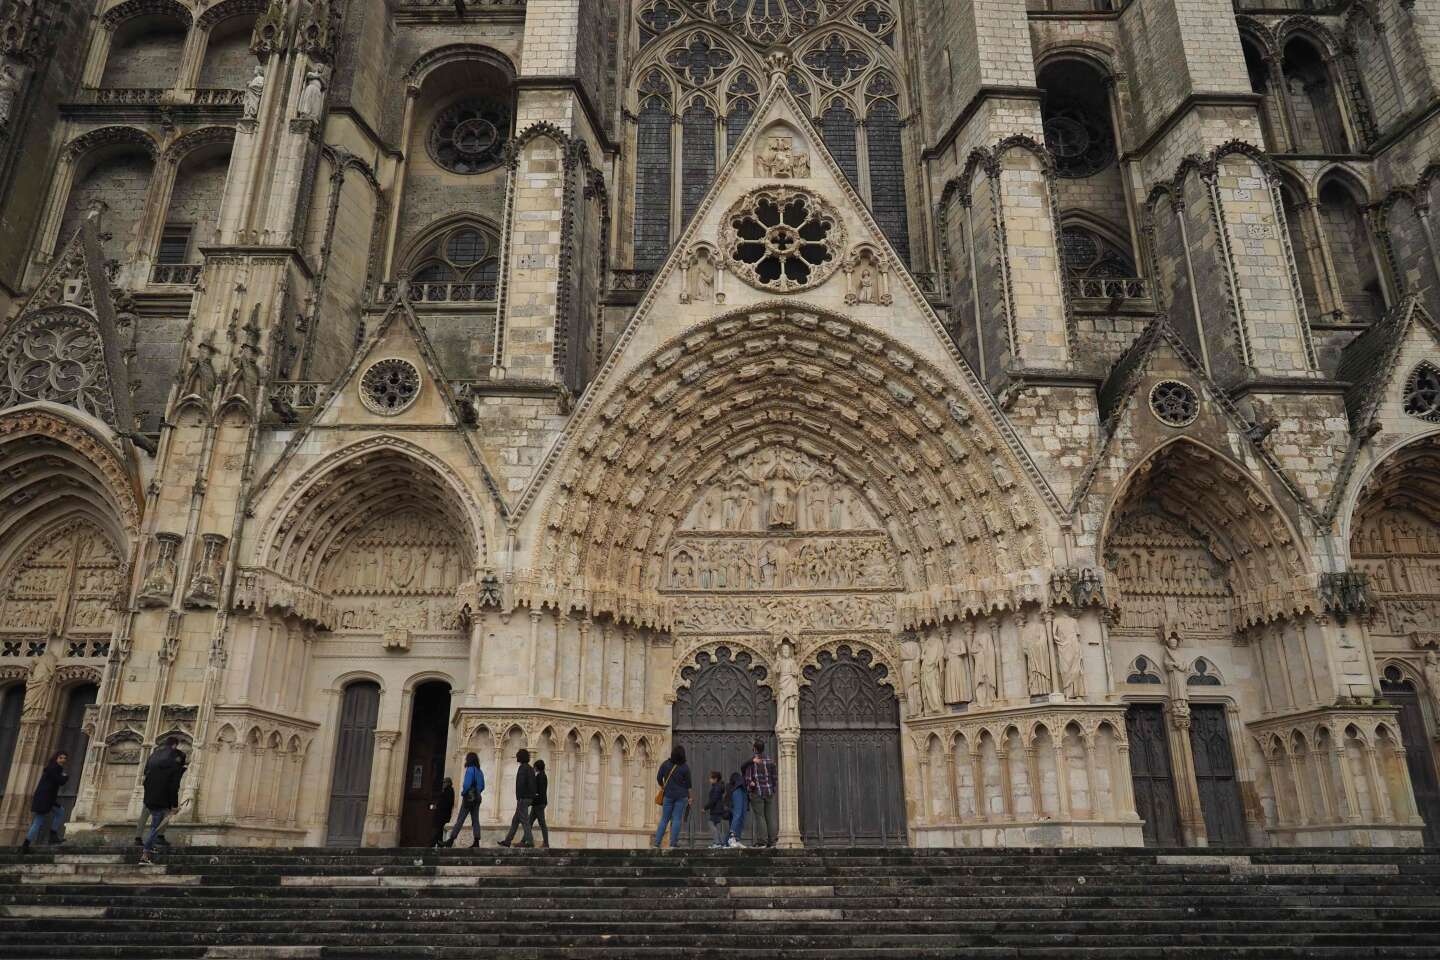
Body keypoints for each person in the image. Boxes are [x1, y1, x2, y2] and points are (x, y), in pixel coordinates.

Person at [139, 743, 186, 864]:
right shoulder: (175, 769)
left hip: (151, 800)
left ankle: (150, 847)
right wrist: (174, 806)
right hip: (161, 802)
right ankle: (145, 855)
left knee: (156, 826)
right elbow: (173, 788)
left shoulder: (156, 767)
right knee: (156, 828)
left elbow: (145, 783)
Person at [20, 751, 68, 855]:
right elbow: (60, 781)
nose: (63, 760)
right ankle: (26, 844)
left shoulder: (53, 768)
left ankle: (52, 835)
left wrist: (62, 776)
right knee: (38, 821)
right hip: (45, 799)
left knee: (59, 812)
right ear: (56, 758)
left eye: (64, 758)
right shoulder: (53, 768)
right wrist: (65, 776)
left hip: (47, 798)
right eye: (61, 758)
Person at [653, 744, 691, 849]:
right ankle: (673, 843)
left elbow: (658, 777)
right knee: (677, 819)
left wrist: (663, 786)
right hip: (681, 796)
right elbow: (688, 785)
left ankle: (657, 843)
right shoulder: (685, 767)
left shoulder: (665, 764)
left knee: (664, 819)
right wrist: (690, 797)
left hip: (668, 795)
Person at [743, 739, 778, 848]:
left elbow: (748, 777)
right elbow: (774, 777)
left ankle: (762, 841)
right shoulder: (770, 761)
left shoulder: (753, 762)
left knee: (760, 816)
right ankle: (772, 841)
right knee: (770, 816)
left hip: (757, 792)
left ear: (755, 748)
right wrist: (773, 789)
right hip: (769, 792)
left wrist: (750, 785)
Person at [497, 749, 535, 848]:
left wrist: (519, 797)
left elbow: (521, 784)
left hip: (523, 798)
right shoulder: (530, 768)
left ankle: (530, 841)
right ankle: (508, 840)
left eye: (518, 756)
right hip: (528, 798)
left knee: (524, 820)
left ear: (521, 757)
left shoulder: (523, 768)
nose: (516, 757)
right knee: (515, 821)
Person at [444, 752, 484, 848]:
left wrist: (464, 793)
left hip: (468, 798)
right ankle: (476, 841)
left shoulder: (470, 770)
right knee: (475, 820)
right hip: (477, 798)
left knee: (460, 819)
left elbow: (466, 784)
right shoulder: (479, 771)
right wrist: (477, 792)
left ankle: (451, 839)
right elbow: (482, 786)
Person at [527, 759, 550, 848]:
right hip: (539, 803)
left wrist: (532, 799)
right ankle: (526, 840)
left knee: (541, 824)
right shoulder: (543, 776)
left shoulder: (539, 777)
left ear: (536, 768)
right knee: (529, 823)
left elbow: (538, 792)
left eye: (534, 767)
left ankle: (545, 843)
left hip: (538, 804)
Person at [703, 771, 729, 848]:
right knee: (717, 826)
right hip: (718, 809)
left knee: (711, 823)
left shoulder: (716, 787)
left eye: (711, 777)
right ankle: (722, 842)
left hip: (716, 810)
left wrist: (705, 808)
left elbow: (713, 800)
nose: (709, 779)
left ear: (716, 779)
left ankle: (717, 843)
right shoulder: (717, 786)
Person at [430, 776, 454, 848]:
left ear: (448, 783)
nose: (443, 784)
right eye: (443, 782)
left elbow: (447, 803)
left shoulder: (448, 791)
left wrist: (438, 806)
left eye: (444, 782)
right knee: (439, 829)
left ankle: (433, 843)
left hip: (442, 814)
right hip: (442, 814)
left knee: (437, 829)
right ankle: (438, 843)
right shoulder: (446, 791)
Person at [727, 771, 748, 848]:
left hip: (745, 791)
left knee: (742, 816)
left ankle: (737, 839)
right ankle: (731, 838)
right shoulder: (739, 777)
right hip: (738, 788)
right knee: (737, 814)